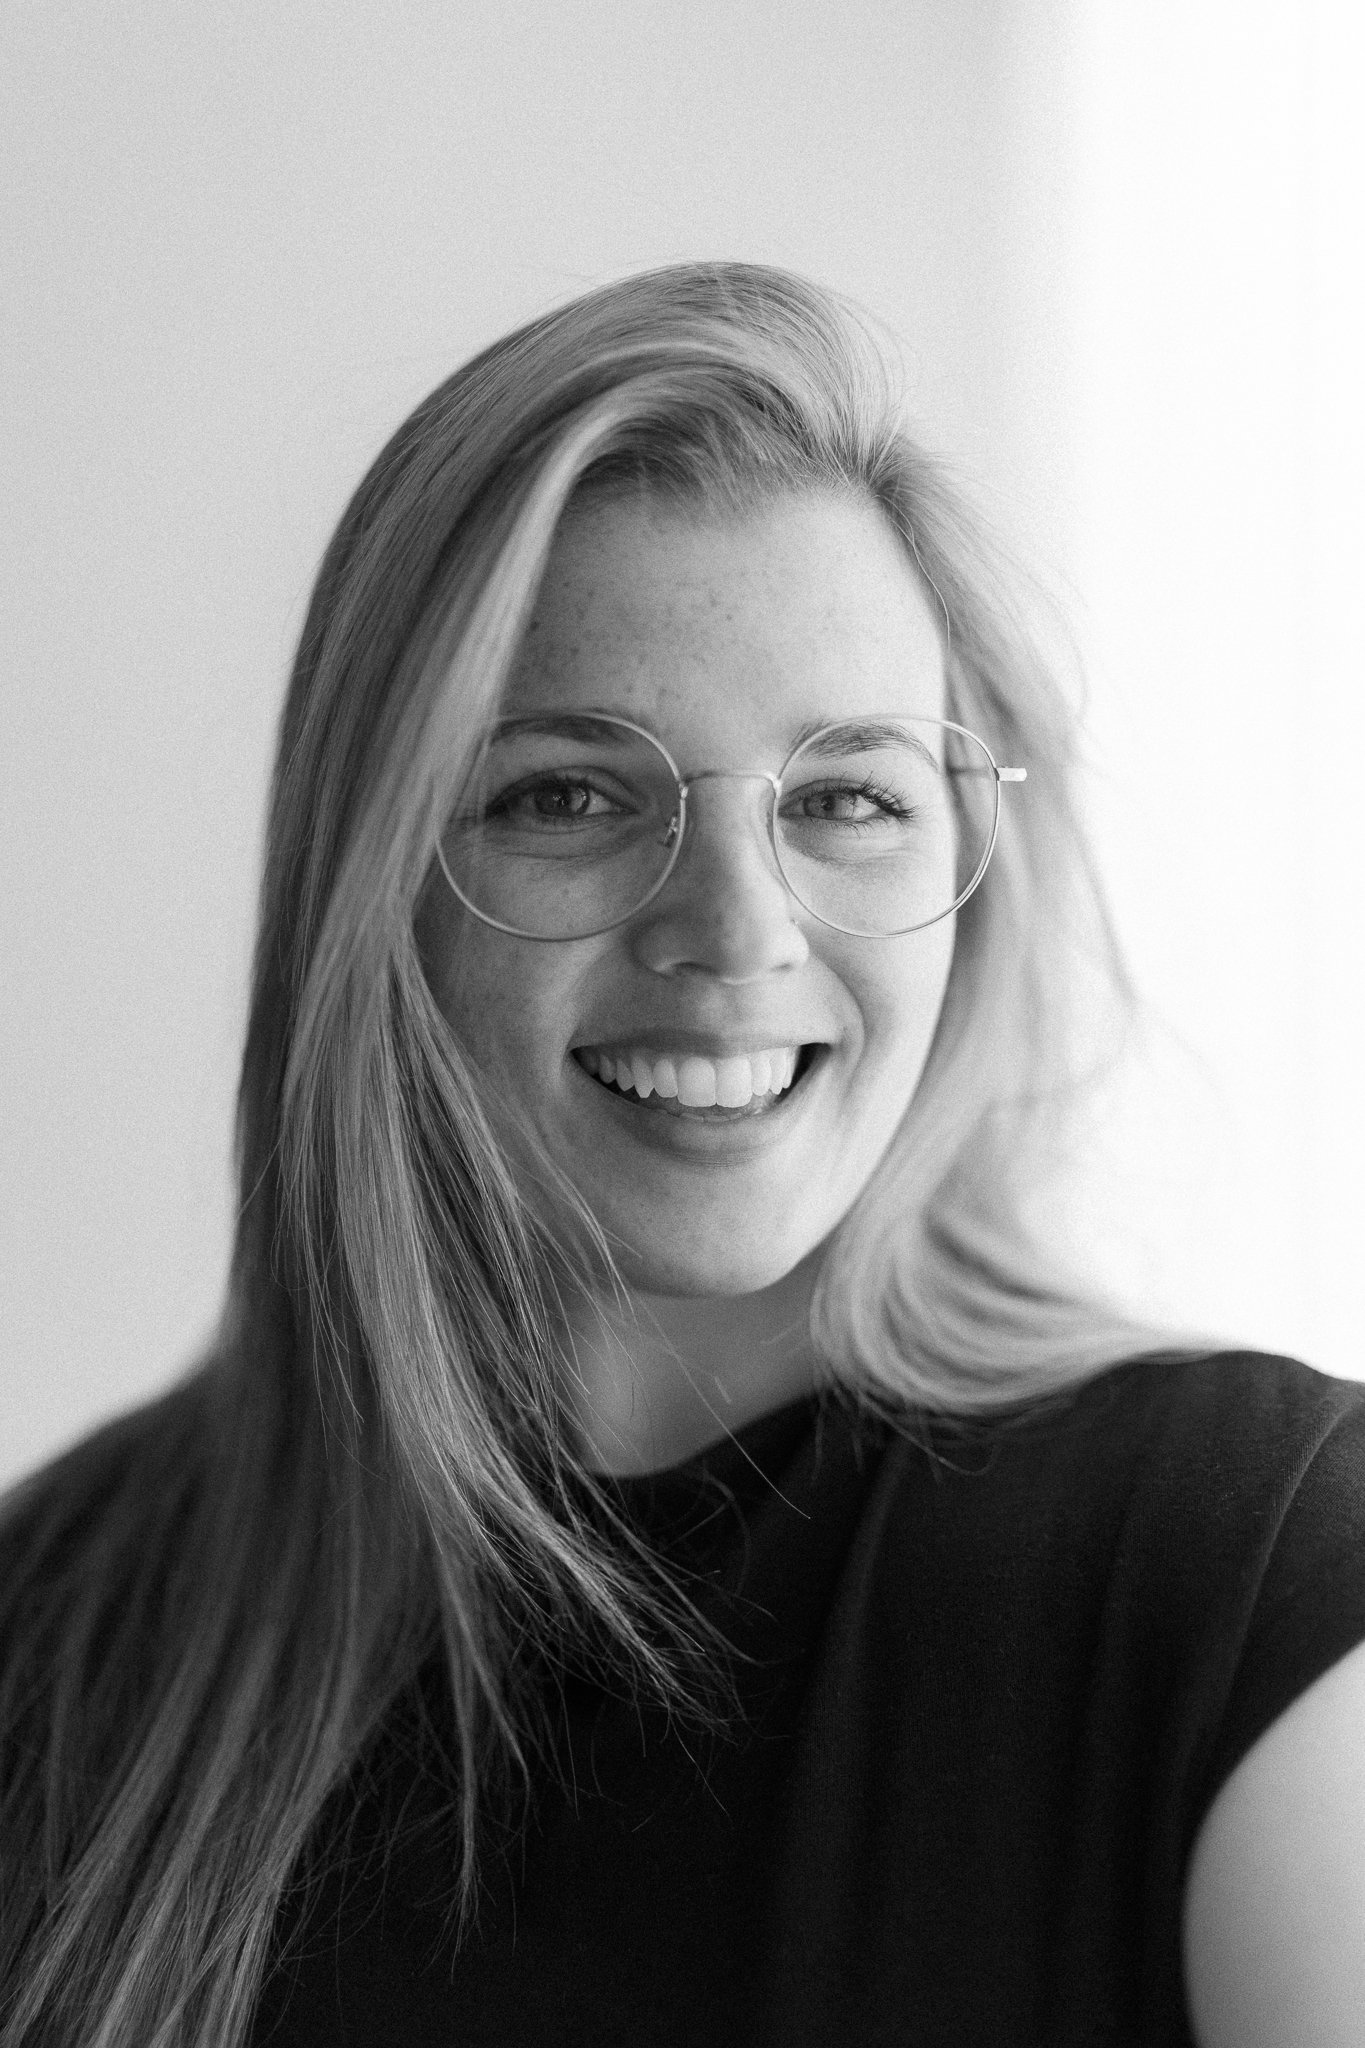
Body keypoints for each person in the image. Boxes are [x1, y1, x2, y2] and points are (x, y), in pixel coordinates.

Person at [2, 262, 1363, 2048]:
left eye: (846, 797)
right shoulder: (66, 1616)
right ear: (374, 884)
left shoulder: (1251, 1572)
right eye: (568, 792)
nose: (733, 932)